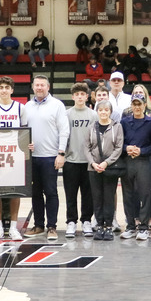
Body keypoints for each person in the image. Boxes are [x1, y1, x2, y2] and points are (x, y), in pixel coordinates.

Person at [22, 75, 70, 241]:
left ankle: (52, 227)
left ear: (48, 87)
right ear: (33, 87)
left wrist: (61, 153)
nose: (40, 88)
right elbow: (22, 131)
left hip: (50, 157)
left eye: (42, 85)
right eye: (37, 85)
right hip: (32, 157)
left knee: (51, 192)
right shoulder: (27, 107)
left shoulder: (57, 105)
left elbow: (64, 130)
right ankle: (39, 225)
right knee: (35, 193)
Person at [0, 76, 27, 241]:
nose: (4, 90)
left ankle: (13, 228)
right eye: (1, 87)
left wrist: (26, 149)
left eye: (6, 87)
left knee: (14, 191)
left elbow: (25, 132)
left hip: (14, 154)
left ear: (12, 90)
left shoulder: (20, 108)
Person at [119, 94, 151, 241]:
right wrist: (127, 148)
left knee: (145, 195)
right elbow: (118, 142)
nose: (137, 107)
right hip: (128, 161)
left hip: (144, 161)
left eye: (139, 104)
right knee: (128, 195)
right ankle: (130, 226)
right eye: (134, 104)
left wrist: (141, 151)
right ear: (131, 105)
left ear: (144, 105)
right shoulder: (124, 122)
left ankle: (143, 227)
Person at [87, 101, 124, 240]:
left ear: (110, 111)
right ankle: (99, 226)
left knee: (108, 197)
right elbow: (87, 147)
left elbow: (118, 148)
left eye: (106, 110)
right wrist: (93, 163)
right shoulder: (91, 127)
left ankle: (109, 226)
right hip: (93, 168)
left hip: (110, 167)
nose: (103, 112)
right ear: (97, 111)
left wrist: (106, 163)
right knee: (97, 197)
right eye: (100, 110)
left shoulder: (117, 126)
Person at [63, 83, 95, 238]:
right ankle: (71, 222)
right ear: (73, 97)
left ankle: (87, 221)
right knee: (70, 194)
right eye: (77, 94)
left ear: (87, 96)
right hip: (71, 160)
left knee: (87, 194)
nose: (80, 97)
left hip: (88, 162)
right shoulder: (67, 114)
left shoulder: (93, 115)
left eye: (83, 94)